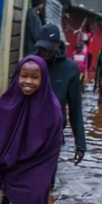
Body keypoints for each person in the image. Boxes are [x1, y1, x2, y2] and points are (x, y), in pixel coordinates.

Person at [0, 55, 64, 204]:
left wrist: (36, 185)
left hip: (30, 177)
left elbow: (49, 156)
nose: (28, 81)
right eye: (24, 76)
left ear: (43, 79)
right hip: (1, 173)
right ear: (17, 76)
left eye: (35, 77)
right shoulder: (4, 105)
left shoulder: (52, 113)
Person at [34, 25, 86, 166]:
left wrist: (80, 144)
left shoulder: (70, 69)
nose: (43, 52)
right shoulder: (30, 65)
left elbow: (75, 109)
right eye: (41, 48)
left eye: (47, 48)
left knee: (48, 181)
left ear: (57, 44)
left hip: (53, 134)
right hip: (29, 132)